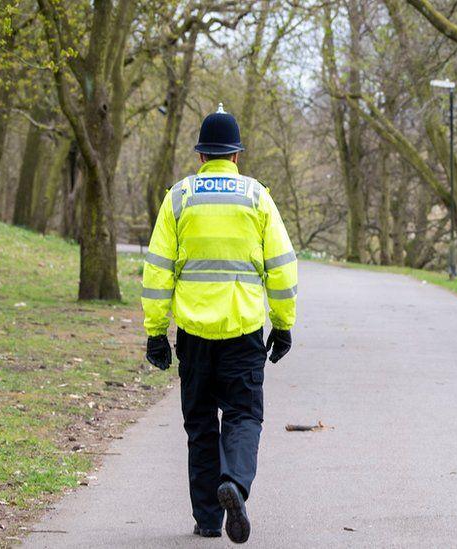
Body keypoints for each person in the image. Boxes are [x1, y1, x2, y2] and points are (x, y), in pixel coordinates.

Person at [141, 103, 298, 544]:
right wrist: (283, 325)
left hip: (193, 336)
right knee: (244, 416)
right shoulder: (256, 197)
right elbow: (282, 268)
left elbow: (158, 271)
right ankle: (235, 483)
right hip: (244, 333)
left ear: (201, 156)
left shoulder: (179, 198)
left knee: (201, 426)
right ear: (235, 156)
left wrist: (155, 332)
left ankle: (209, 518)